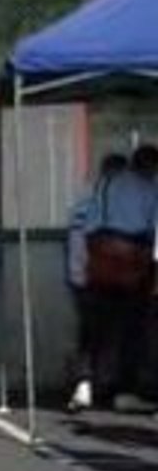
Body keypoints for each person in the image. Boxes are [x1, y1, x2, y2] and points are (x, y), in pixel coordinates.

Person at [84, 144, 158, 413]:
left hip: (101, 258)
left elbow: (89, 226)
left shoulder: (107, 182)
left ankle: (101, 385)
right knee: (135, 327)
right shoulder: (150, 189)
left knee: (104, 327)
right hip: (133, 259)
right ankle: (129, 387)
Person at [65, 153, 128, 412]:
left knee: (89, 333)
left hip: (85, 280)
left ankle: (86, 383)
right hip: (114, 280)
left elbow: (75, 248)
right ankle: (107, 386)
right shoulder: (121, 206)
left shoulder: (84, 204)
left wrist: (77, 279)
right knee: (115, 334)